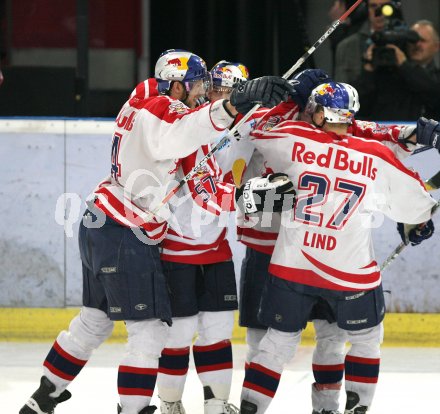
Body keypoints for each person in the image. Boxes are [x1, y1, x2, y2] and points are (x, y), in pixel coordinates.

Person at [19, 49, 295, 414]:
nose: (202, 91)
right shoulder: (165, 115)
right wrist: (233, 109)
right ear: (177, 86)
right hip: (125, 230)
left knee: (94, 321)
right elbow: (191, 135)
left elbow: (189, 130)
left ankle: (42, 398)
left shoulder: (142, 95)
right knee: (149, 333)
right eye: (198, 85)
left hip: (99, 219)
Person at [235, 81, 436, 414]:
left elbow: (250, 133)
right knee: (365, 340)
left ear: (317, 111)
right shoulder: (375, 154)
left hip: (291, 268)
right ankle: (355, 408)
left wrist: (283, 102)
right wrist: (420, 221)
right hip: (350, 275)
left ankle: (250, 407)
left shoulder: (291, 137)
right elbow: (416, 209)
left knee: (276, 343)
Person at [155, 60, 250, 414]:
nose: (224, 98)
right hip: (176, 248)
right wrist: (247, 199)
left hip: (215, 248)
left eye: (233, 93)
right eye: (218, 90)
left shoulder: (246, 129)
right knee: (177, 335)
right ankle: (169, 404)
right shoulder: (190, 126)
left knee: (217, 330)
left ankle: (216, 404)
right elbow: (206, 193)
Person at [354, 19, 440, 120]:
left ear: (436, 46)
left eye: (422, 40)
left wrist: (404, 65)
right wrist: (368, 70)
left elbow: (433, 93)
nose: (417, 44)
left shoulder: (435, 78)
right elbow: (358, 104)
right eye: (412, 40)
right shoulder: (388, 73)